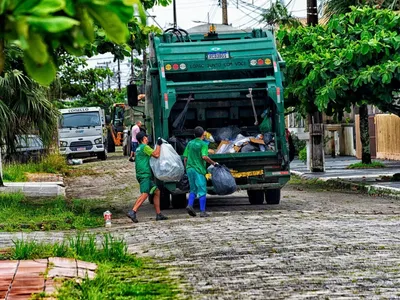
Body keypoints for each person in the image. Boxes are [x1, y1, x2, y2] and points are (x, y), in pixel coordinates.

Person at [127, 132, 168, 223]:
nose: (147, 138)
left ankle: (158, 214)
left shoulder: (138, 148)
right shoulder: (144, 147)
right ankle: (133, 211)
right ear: (143, 139)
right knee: (145, 193)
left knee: (157, 191)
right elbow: (156, 155)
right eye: (146, 137)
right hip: (144, 174)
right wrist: (158, 144)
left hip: (143, 174)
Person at [183, 126, 217, 218]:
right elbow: (204, 157)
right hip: (198, 170)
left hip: (190, 169)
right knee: (202, 190)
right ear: (203, 134)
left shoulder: (190, 143)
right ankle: (202, 211)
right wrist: (214, 163)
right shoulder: (203, 145)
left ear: (194, 134)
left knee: (193, 189)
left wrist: (187, 169)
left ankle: (190, 205)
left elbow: (185, 158)